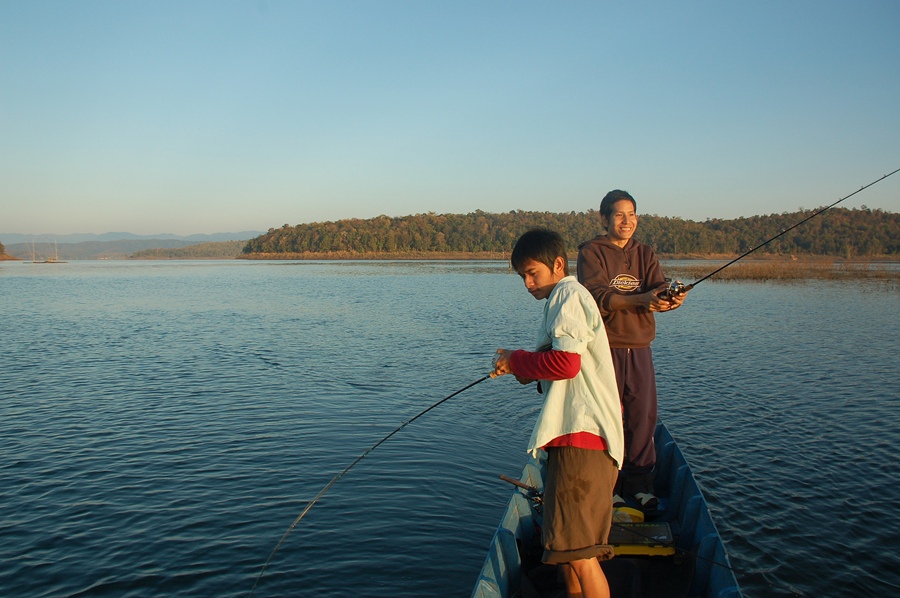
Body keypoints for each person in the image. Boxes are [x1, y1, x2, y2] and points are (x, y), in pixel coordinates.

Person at [492, 227, 624, 598]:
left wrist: (518, 358)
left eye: (532, 273)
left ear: (558, 265)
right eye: (522, 276)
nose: (527, 283)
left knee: (581, 556)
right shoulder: (561, 300)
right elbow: (559, 370)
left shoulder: (569, 294)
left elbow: (566, 364)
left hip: (583, 440)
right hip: (570, 438)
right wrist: (520, 368)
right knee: (564, 552)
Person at [576, 189, 687, 511]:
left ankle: (639, 484)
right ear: (604, 219)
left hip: (639, 345)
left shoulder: (645, 252)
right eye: (620, 215)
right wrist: (641, 300)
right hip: (604, 347)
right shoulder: (591, 252)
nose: (627, 221)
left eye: (632, 214)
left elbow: (658, 286)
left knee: (642, 416)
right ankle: (607, 485)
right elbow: (597, 296)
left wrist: (671, 297)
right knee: (606, 414)